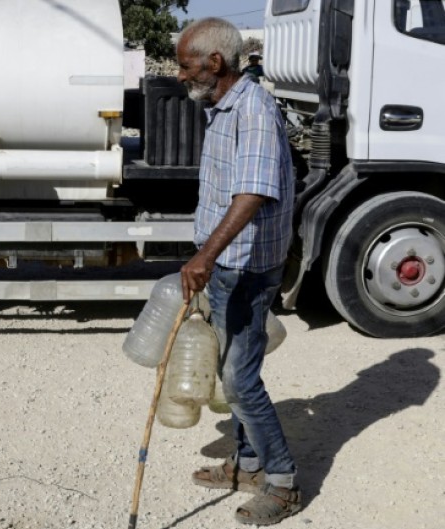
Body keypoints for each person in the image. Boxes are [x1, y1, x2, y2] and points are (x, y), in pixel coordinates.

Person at [176, 18, 300, 525]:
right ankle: (248, 465)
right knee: (235, 370)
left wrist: (204, 257)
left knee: (239, 381)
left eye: (186, 65)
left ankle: (283, 483)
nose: (180, 75)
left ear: (215, 62)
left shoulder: (252, 109)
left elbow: (251, 193)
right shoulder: (223, 106)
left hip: (246, 267)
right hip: (229, 264)